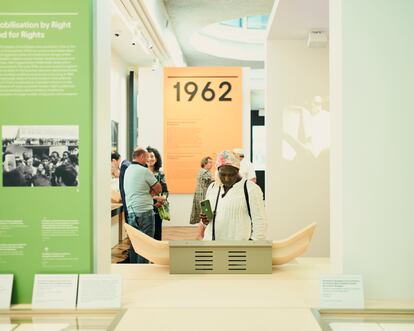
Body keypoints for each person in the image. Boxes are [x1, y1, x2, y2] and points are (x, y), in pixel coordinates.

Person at [198, 150, 266, 241]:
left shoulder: (251, 189)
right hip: (212, 245)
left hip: (237, 248)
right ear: (218, 171)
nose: (227, 178)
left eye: (231, 174)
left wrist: (252, 246)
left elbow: (260, 222)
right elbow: (208, 222)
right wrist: (205, 220)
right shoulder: (213, 187)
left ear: (238, 171)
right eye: (222, 174)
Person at [123, 147, 162, 263]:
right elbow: (159, 188)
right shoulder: (144, 171)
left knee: (135, 245)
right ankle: (143, 270)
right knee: (145, 246)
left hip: (131, 212)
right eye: (146, 157)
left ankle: (135, 271)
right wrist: (151, 189)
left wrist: (148, 189)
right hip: (145, 212)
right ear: (141, 157)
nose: (147, 160)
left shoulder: (128, 170)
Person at [146, 146, 168, 241]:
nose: (150, 159)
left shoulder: (160, 174)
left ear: (156, 158)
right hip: (145, 207)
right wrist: (155, 198)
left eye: (152, 156)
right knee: (146, 233)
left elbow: (165, 191)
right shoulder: (142, 173)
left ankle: (157, 254)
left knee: (157, 233)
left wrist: (163, 199)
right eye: (148, 156)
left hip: (158, 207)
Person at [189, 156, 214, 224]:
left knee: (203, 215)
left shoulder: (201, 171)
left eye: (212, 162)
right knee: (206, 215)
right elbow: (214, 182)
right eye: (209, 162)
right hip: (203, 196)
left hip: (200, 195)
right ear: (204, 163)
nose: (211, 164)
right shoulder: (205, 172)